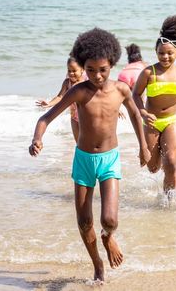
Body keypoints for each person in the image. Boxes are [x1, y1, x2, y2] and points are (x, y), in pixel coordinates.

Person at [29, 28, 151, 283]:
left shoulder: (121, 90)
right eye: (91, 69)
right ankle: (97, 264)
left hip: (109, 159)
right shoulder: (79, 91)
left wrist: (143, 146)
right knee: (84, 223)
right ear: (84, 66)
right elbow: (45, 118)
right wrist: (37, 139)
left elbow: (135, 115)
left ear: (112, 65)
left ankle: (108, 237)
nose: (97, 75)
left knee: (110, 219)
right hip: (83, 160)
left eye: (103, 69)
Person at [132, 15, 176, 199]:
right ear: (156, 52)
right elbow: (135, 95)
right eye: (161, 53)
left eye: (170, 53)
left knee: (171, 161)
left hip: (172, 121)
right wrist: (143, 112)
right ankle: (163, 164)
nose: (165, 56)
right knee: (153, 167)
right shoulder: (149, 72)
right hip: (152, 122)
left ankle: (169, 199)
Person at [36, 57, 85, 142]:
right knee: (78, 143)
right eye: (69, 70)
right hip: (74, 117)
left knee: (86, 142)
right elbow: (60, 97)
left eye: (74, 71)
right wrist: (49, 104)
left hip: (85, 117)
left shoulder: (85, 84)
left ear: (82, 70)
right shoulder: (67, 83)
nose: (71, 73)